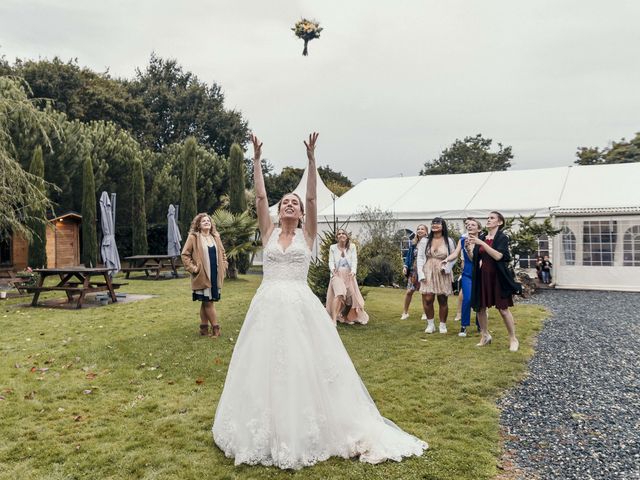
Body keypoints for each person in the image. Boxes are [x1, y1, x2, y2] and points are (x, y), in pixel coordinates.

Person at [212, 133, 427, 469]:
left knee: (303, 363)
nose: (289, 205)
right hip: (267, 304)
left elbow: (312, 199)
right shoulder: (268, 232)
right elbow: (259, 197)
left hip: (299, 306)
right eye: (285, 202)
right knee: (264, 364)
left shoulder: (307, 234)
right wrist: (255, 161)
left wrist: (312, 162)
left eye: (293, 203)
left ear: (299, 214)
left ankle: (310, 424)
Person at [469, 211, 522, 352]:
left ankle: (513, 339)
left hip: (497, 277)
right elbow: (476, 257)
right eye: (488, 218)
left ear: (499, 222)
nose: (488, 220)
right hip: (482, 276)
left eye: (492, 218)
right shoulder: (481, 237)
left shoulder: (502, 238)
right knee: (480, 308)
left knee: (503, 310)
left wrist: (481, 243)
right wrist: (470, 249)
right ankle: (485, 335)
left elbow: (499, 256)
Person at [181, 213, 228, 337]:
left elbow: (223, 253)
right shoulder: (194, 237)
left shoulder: (216, 237)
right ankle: (216, 328)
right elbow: (185, 255)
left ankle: (203, 328)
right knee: (208, 302)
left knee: (205, 301)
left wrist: (224, 265)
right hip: (202, 275)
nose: (207, 222)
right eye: (203, 221)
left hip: (215, 275)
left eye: (208, 221)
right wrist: (193, 268)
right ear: (199, 225)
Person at [442, 217, 482, 337]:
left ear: (479, 228)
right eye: (468, 225)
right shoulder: (462, 239)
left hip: (480, 273)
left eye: (473, 225)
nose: (469, 226)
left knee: (480, 300)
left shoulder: (482, 241)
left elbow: (477, 259)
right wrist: (446, 259)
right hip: (467, 274)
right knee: (468, 298)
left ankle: (480, 325)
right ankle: (464, 326)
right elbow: (455, 253)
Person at [417, 217, 456, 334]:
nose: (435, 225)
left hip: (442, 271)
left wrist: (447, 267)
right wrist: (420, 272)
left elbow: (454, 256)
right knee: (428, 298)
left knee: (443, 299)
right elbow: (419, 257)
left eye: (438, 224)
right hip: (428, 269)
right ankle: (430, 324)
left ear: (443, 226)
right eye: (433, 224)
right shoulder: (425, 241)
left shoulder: (449, 241)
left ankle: (442, 325)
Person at [326, 228, 369, 325]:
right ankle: (333, 320)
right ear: (337, 237)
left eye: (343, 233)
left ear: (346, 236)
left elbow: (354, 261)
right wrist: (333, 271)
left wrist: (353, 272)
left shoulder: (352, 247)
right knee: (339, 294)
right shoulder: (333, 247)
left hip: (348, 275)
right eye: (339, 234)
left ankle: (345, 317)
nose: (341, 235)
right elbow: (331, 261)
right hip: (336, 274)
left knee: (350, 299)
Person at [400, 224, 428, 320]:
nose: (420, 230)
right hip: (413, 271)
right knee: (409, 291)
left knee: (424, 292)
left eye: (422, 229)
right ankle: (405, 312)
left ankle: (425, 313)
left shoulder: (429, 243)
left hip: (424, 271)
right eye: (418, 229)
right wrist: (405, 266)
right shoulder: (413, 243)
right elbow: (409, 256)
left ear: (426, 232)